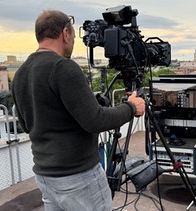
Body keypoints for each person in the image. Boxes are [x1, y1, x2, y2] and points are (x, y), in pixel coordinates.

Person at [11, 10, 145, 210]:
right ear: (65, 33)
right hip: (78, 177)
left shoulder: (21, 73)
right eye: (73, 35)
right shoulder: (63, 67)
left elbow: (26, 124)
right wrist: (131, 107)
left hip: (46, 176)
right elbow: (95, 121)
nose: (73, 41)